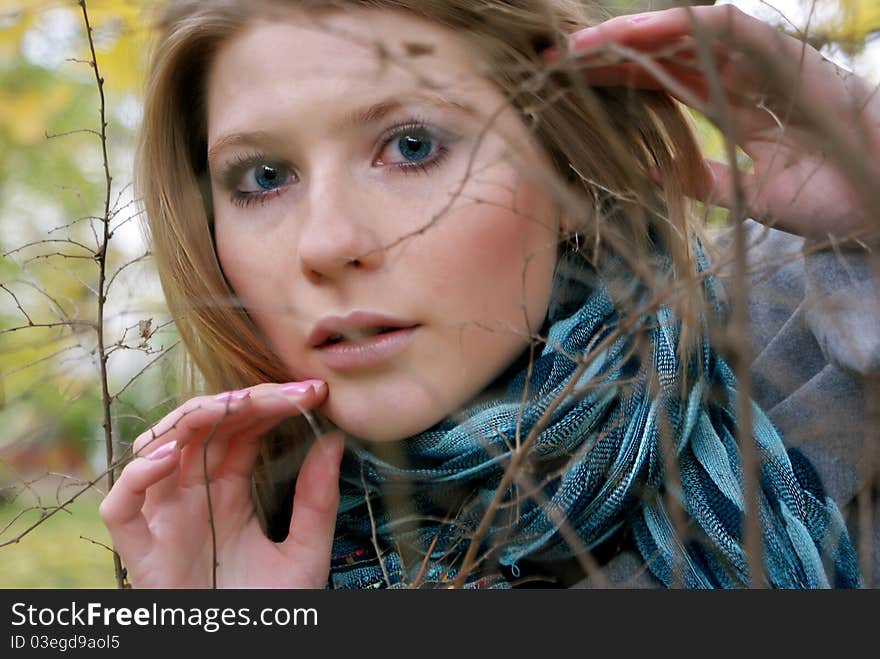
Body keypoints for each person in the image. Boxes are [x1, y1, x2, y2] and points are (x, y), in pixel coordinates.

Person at [99, 0, 879, 588]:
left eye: (412, 146)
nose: (327, 243)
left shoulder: (820, 342)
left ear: (565, 172)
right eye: (263, 178)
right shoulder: (228, 553)